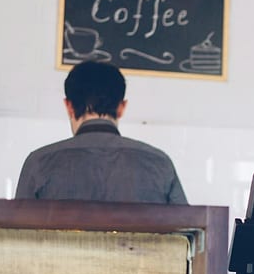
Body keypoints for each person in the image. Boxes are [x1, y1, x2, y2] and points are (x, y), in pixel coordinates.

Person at [15, 60, 187, 204]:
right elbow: (187, 233)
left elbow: (17, 236)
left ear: (69, 106)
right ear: (121, 107)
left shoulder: (39, 163)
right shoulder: (159, 163)